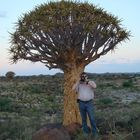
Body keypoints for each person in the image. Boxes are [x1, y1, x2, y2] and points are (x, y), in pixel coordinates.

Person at [73, 72, 98, 138]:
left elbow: (95, 86)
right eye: (82, 76)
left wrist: (87, 81)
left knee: (92, 118)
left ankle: (95, 133)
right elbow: (73, 89)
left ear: (87, 76)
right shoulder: (79, 84)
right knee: (83, 119)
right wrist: (78, 81)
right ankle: (85, 133)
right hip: (81, 103)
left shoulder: (91, 82)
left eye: (84, 76)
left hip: (89, 103)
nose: (83, 77)